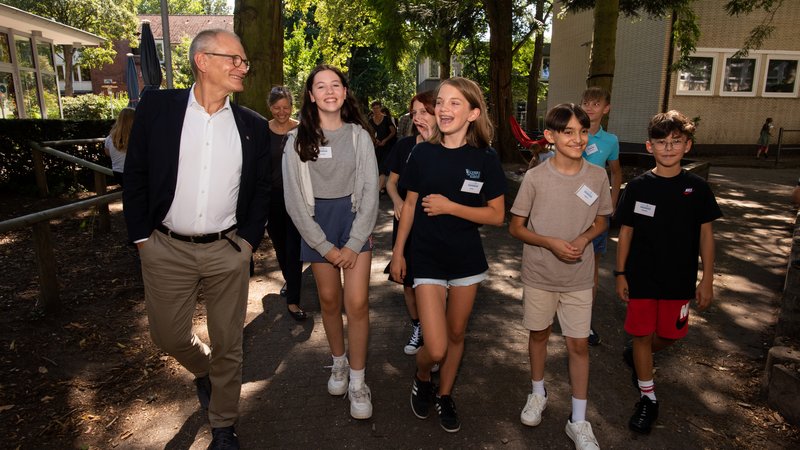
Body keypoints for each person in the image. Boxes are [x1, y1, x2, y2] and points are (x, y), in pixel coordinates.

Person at [123, 29, 269, 450]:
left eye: (245, 61)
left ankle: (223, 423)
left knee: (230, 342)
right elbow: (135, 176)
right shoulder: (157, 108)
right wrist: (141, 240)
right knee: (167, 337)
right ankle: (204, 368)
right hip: (165, 247)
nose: (243, 67)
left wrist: (246, 245)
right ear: (203, 60)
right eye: (235, 59)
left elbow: (260, 189)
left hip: (227, 250)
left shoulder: (252, 126)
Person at [390, 77, 506, 433]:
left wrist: (451, 207)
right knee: (436, 347)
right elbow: (409, 204)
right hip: (426, 259)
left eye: (455, 103)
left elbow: (497, 215)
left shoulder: (485, 158)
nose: (443, 109)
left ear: (473, 113)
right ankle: (423, 374)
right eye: (440, 102)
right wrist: (397, 252)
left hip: (466, 262)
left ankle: (444, 394)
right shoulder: (422, 153)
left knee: (457, 335)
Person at [508, 103, 610, 450]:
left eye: (583, 131)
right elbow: (516, 227)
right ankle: (538, 392)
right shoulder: (536, 176)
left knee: (578, 345)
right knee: (538, 335)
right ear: (550, 137)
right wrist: (550, 243)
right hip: (539, 274)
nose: (577, 138)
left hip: (579, 277)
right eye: (568, 132)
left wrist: (583, 239)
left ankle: (578, 420)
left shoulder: (597, 176)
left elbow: (602, 219)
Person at [615, 110, 722, 434]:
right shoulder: (636, 187)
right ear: (650, 147)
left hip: (680, 279)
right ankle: (648, 398)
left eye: (676, 141)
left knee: (672, 334)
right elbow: (627, 233)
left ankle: (636, 354)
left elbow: (706, 236)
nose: (668, 147)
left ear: (687, 146)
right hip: (642, 277)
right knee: (642, 335)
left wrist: (707, 279)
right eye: (661, 142)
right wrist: (620, 273)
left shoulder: (697, 188)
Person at [282, 64, 379, 420]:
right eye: (320, 86)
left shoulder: (359, 137)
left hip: (354, 220)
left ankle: (357, 379)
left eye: (335, 84)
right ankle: (337, 362)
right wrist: (325, 247)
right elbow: (293, 199)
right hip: (315, 224)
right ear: (310, 95)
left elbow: (370, 191)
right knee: (328, 298)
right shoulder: (296, 140)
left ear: (344, 92)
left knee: (356, 302)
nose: (328, 91)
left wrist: (354, 243)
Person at [384, 90, 436, 355]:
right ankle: (418, 326)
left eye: (423, 112)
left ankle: (436, 333)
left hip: (435, 226)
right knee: (408, 280)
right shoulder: (404, 145)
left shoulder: (449, 147)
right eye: (414, 113)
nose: (417, 117)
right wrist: (396, 201)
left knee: (436, 283)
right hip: (406, 221)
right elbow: (391, 182)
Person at [579, 86, 621, 346]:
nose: (590, 107)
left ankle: (584, 323)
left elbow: (616, 172)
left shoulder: (611, 141)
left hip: (595, 213)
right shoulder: (572, 134)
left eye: (596, 103)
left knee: (591, 270)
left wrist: (612, 202)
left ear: (606, 109)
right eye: (586, 102)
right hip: (567, 211)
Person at [265, 86, 306, 321]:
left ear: (292, 107)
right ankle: (290, 280)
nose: (281, 112)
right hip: (272, 199)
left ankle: (293, 300)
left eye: (286, 107)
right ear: (270, 107)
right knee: (280, 246)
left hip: (297, 197)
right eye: (276, 108)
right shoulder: (263, 131)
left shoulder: (301, 131)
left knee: (294, 247)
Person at [369, 100, 397, 192]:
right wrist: (375, 140)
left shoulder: (386, 119)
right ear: (372, 109)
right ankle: (381, 188)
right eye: (374, 108)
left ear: (380, 108)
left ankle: (377, 191)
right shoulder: (370, 121)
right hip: (376, 148)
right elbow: (369, 133)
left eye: (377, 108)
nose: (376, 110)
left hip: (387, 147)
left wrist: (385, 140)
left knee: (383, 168)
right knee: (376, 168)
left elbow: (393, 132)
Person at [104, 107, 135, 187]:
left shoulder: (110, 137)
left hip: (117, 172)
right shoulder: (137, 137)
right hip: (133, 173)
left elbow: (107, 153)